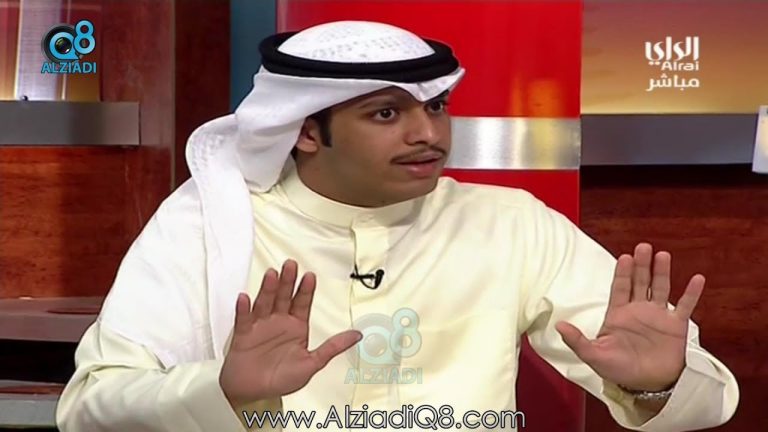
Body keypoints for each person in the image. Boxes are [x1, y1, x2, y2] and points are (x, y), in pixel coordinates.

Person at [55, 21, 739, 432]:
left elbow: (706, 399)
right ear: (306, 132)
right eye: (387, 114)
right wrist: (225, 391)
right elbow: (89, 408)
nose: (428, 134)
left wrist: (658, 382)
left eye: (436, 107)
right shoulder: (209, 225)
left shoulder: (510, 224)